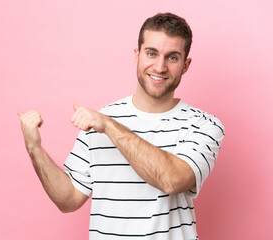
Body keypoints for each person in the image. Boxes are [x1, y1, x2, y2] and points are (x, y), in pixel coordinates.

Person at [18, 12, 225, 240]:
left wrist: (108, 126)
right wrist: (34, 149)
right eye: (151, 53)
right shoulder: (99, 121)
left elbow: (171, 179)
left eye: (172, 57)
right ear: (136, 55)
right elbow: (68, 200)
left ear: (186, 65)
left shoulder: (203, 125)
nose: (160, 66)